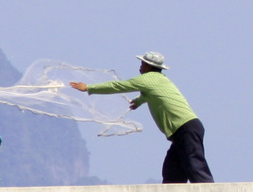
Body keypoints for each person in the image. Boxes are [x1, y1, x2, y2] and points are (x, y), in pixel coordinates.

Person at [71, 52, 214, 183]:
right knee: (172, 171)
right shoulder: (161, 80)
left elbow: (118, 86)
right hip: (184, 129)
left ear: (148, 66)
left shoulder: (147, 79)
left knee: (194, 164)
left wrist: (89, 87)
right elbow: (151, 94)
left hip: (185, 127)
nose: (140, 66)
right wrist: (139, 101)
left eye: (142, 64)